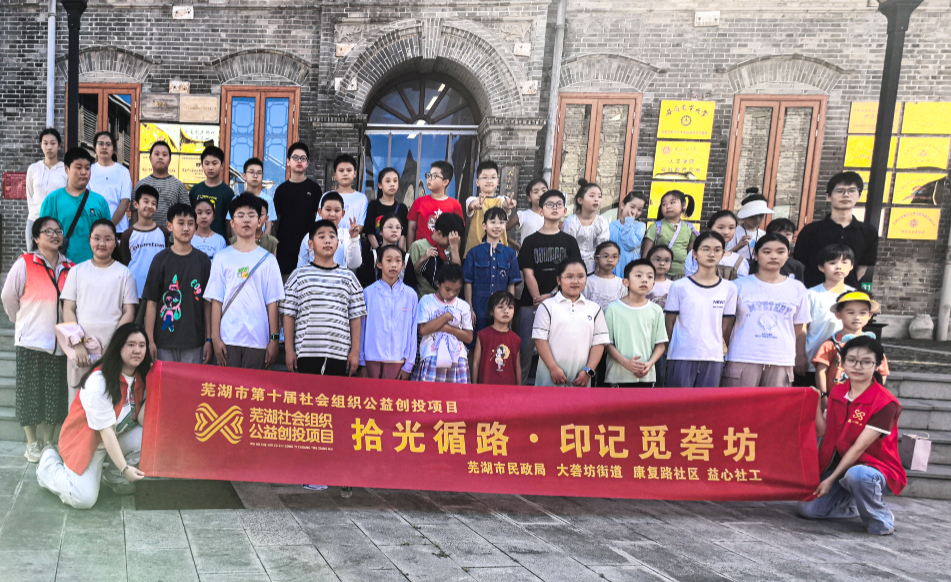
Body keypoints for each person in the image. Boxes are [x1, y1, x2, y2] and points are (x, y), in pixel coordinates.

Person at [797, 336, 905, 536]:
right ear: (843, 363)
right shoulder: (838, 392)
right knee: (808, 510)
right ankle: (855, 505)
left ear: (877, 365)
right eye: (852, 360)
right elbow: (822, 431)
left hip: (875, 469)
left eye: (866, 362)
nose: (858, 366)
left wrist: (830, 480)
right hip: (842, 466)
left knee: (858, 475)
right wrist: (815, 402)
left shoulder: (885, 403)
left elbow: (858, 448)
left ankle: (881, 517)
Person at [36, 323, 151, 508]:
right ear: (118, 346)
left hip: (115, 438)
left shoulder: (141, 376)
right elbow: (106, 432)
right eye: (131, 344)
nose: (137, 350)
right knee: (83, 499)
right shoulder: (99, 382)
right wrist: (125, 468)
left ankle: (114, 477)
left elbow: (142, 420)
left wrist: (154, 388)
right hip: (87, 444)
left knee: (147, 436)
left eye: (142, 345)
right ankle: (47, 464)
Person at [2, 217, 73, 462]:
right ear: (36, 238)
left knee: (54, 396)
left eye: (58, 231)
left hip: (59, 345)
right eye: (47, 231)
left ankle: (48, 442)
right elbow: (8, 297)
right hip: (31, 342)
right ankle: (32, 444)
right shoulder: (25, 263)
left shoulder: (70, 267)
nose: (54, 235)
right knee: (29, 395)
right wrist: (21, 320)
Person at [61, 219, 138, 404]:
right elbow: (68, 309)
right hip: (81, 351)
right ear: (89, 240)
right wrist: (77, 343)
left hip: (111, 348)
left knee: (109, 399)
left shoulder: (125, 274)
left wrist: (114, 346)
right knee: (78, 400)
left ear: (115, 242)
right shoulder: (76, 272)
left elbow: (129, 312)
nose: (102, 243)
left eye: (108, 239)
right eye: (97, 238)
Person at [204, 196, 284, 369]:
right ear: (232, 222)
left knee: (254, 386)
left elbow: (272, 303)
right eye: (240, 215)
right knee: (227, 386)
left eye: (251, 215)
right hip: (228, 338)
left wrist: (274, 339)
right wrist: (215, 338)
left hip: (259, 340)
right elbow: (216, 300)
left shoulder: (269, 260)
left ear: (260, 221)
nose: (246, 219)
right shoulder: (222, 257)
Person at [722, 233, 810, 388]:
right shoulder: (739, 285)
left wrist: (800, 355)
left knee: (776, 403)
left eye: (780, 252)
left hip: (781, 359)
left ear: (788, 255)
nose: (774, 256)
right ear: (756, 255)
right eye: (767, 251)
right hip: (742, 357)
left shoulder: (797, 288)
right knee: (739, 402)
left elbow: (799, 327)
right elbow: (727, 324)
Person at [283, 220, 367, 377]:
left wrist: (355, 352)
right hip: (306, 352)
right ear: (311, 244)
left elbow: (356, 317)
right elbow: (288, 314)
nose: (327, 241)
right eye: (321, 237)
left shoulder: (349, 277)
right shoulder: (298, 276)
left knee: (334, 392)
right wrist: (289, 350)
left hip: (339, 353)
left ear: (338, 243)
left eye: (332, 236)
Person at [516, 189, 582, 385]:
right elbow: (528, 273)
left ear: (564, 210)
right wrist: (538, 300)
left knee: (557, 350)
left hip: (561, 303)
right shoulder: (530, 241)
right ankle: (520, 392)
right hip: (531, 303)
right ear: (541, 210)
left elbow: (572, 274)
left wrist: (552, 295)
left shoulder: (569, 242)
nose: (554, 208)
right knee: (525, 350)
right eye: (549, 204)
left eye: (558, 205)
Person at [665, 232, 738, 388]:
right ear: (694, 253)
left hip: (713, 356)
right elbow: (669, 323)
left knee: (707, 402)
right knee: (678, 400)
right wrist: (671, 348)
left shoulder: (729, 288)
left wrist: (721, 350)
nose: (712, 254)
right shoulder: (679, 286)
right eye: (706, 249)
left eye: (717, 250)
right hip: (681, 355)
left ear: (723, 254)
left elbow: (726, 325)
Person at [142, 203, 212, 364]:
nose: (186, 228)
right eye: (180, 223)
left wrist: (209, 339)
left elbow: (207, 303)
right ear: (169, 226)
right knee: (164, 381)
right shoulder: (160, 260)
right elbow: (151, 302)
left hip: (194, 341)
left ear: (195, 226)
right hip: (163, 341)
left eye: (190, 223)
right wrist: (149, 340)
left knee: (190, 381)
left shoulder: (203, 261)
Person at [794, 171, 879, 289]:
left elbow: (862, 268)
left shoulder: (868, 232)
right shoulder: (811, 230)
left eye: (852, 190)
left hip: (847, 294)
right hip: (812, 291)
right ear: (828, 196)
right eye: (840, 191)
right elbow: (800, 264)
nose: (846, 195)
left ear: (859, 196)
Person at [533, 258, 609, 387]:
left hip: (581, 381)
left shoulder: (594, 309)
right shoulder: (547, 306)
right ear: (559, 280)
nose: (575, 281)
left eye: (580, 276)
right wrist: (553, 368)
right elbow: (540, 340)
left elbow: (599, 343)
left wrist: (588, 371)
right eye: (569, 276)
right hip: (549, 379)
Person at [39, 147, 111, 264]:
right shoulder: (53, 200)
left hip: (94, 266)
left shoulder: (99, 201)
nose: (84, 172)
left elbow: (108, 235)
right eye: (78, 167)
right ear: (67, 169)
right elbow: (44, 236)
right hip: (62, 267)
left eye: (87, 168)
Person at [604, 259, 667, 388]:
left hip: (646, 376)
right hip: (618, 376)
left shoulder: (656, 310)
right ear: (625, 282)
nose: (644, 280)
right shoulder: (613, 309)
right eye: (638, 275)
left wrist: (649, 364)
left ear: (653, 284)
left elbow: (660, 345)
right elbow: (607, 344)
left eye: (649, 277)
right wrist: (626, 363)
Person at [813, 291, 890, 394]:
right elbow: (821, 372)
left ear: (870, 315)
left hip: (864, 398)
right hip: (835, 397)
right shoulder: (830, 344)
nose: (857, 317)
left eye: (862, 313)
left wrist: (874, 393)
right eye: (850, 312)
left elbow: (882, 373)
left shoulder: (873, 346)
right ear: (838, 314)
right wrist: (823, 395)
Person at [360, 244, 418, 380]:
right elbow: (361, 328)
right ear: (379, 264)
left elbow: (413, 330)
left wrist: (409, 364)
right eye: (389, 260)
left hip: (398, 360)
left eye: (398, 261)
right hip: (371, 358)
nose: (393, 265)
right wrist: (361, 361)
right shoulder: (368, 293)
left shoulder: (410, 295)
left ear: (403, 265)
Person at [800, 244, 855, 387]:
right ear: (821, 267)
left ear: (851, 266)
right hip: (813, 359)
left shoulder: (854, 296)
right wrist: (799, 356)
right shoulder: (810, 295)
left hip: (844, 365)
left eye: (844, 262)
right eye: (832, 263)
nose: (838, 267)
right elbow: (802, 328)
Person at [413, 264, 474, 383]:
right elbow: (423, 330)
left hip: (457, 359)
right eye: (447, 289)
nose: (451, 294)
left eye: (457, 290)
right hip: (432, 356)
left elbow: (469, 337)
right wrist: (446, 317)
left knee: (456, 395)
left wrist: (446, 328)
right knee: (429, 394)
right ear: (438, 284)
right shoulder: (426, 301)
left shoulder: (463, 306)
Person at [464, 207, 520, 332]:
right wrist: (469, 308)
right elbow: (468, 282)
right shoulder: (474, 253)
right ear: (484, 225)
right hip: (479, 308)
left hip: (501, 310)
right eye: (493, 222)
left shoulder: (510, 254)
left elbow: (511, 285)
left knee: (499, 341)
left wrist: (509, 309)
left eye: (501, 222)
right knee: (477, 339)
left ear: (505, 226)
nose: (497, 226)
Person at [274, 142, 322, 277]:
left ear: (307, 163)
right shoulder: (281, 190)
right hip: (285, 248)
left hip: (309, 247)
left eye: (303, 158)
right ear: (288, 162)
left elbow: (318, 218)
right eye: (295, 158)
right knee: (286, 283)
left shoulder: (314, 189)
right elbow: (276, 221)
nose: (299, 161)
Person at [119, 185, 169, 311]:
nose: (149, 206)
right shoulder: (128, 234)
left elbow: (166, 260)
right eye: (145, 202)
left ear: (156, 208)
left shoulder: (163, 232)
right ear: (136, 204)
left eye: (153, 203)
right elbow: (125, 263)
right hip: (135, 292)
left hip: (158, 292)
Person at [296, 191, 362, 271]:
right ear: (320, 212)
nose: (332, 214)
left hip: (339, 277)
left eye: (337, 210)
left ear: (343, 213)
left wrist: (354, 238)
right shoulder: (310, 236)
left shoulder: (347, 235)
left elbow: (354, 264)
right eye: (328, 210)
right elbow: (301, 266)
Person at [25, 128, 67, 251]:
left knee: (57, 257)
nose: (49, 147)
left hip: (57, 223)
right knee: (34, 257)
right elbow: (30, 195)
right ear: (41, 145)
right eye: (45, 143)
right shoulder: (33, 169)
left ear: (59, 146)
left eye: (53, 143)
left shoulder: (65, 170)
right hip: (35, 220)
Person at [132, 141, 190, 228]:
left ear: (169, 160)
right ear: (150, 158)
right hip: (144, 234)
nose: (160, 157)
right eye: (157, 154)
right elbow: (134, 213)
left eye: (164, 155)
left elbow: (187, 214)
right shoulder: (141, 185)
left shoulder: (178, 186)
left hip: (171, 235)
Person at [641, 189, 697, 279]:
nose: (668, 206)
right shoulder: (656, 227)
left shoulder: (689, 228)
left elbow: (691, 255)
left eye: (672, 202)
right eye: (664, 204)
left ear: (683, 205)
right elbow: (645, 255)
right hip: (659, 274)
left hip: (682, 274)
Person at [407, 161, 464, 246]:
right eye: (429, 175)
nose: (429, 179)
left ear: (445, 182)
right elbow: (411, 229)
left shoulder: (455, 205)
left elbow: (458, 232)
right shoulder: (419, 202)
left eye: (434, 176)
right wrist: (410, 251)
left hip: (444, 251)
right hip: (421, 250)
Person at [88, 131, 133, 238]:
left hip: (119, 228)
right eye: (100, 144)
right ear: (95, 147)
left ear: (114, 149)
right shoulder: (89, 171)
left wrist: (110, 227)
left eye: (108, 144)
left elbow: (124, 202)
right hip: (94, 227)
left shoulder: (123, 171)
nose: (104, 147)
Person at [465, 160, 515, 255]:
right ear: (477, 182)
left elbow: (505, 203)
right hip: (475, 251)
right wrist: (475, 205)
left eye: (493, 177)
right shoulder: (472, 199)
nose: (489, 180)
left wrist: (509, 204)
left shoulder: (501, 200)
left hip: (499, 251)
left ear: (497, 181)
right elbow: (471, 205)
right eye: (485, 177)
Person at [472, 290, 522, 385]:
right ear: (491, 311)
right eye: (500, 307)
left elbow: (517, 367)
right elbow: (476, 364)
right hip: (486, 387)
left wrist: (519, 389)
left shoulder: (516, 339)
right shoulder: (482, 335)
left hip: (509, 389)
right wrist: (474, 387)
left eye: (510, 307)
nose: (506, 311)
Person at [410, 212, 464, 298]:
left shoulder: (451, 247)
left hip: (446, 299)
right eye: (449, 240)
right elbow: (410, 274)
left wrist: (454, 248)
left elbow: (457, 274)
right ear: (439, 233)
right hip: (424, 297)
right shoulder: (418, 246)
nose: (450, 243)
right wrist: (423, 258)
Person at [562, 180, 610, 274]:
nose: (596, 199)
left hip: (595, 268)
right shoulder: (571, 222)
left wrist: (599, 269)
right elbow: (566, 248)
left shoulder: (602, 222)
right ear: (580, 200)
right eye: (592, 196)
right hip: (573, 267)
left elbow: (603, 248)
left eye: (599, 196)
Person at [685, 210, 749, 280]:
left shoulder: (739, 260)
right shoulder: (695, 254)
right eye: (720, 227)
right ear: (710, 228)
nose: (726, 232)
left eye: (731, 228)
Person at [188, 146, 235, 239]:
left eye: (214, 163)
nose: (210, 167)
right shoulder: (195, 190)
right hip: (196, 240)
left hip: (219, 241)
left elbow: (229, 222)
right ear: (202, 165)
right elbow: (190, 217)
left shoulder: (228, 193)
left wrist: (229, 242)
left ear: (222, 165)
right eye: (207, 163)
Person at [357, 213, 413, 288]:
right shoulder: (374, 255)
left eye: (398, 227)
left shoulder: (406, 257)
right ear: (380, 231)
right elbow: (367, 283)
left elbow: (410, 285)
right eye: (390, 227)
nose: (394, 230)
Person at [323, 154, 368, 233]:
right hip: (329, 237)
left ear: (355, 173)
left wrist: (352, 232)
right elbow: (320, 222)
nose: (345, 174)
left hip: (352, 239)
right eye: (341, 170)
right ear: (335, 174)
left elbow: (361, 224)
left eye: (349, 170)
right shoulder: (326, 196)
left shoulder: (362, 198)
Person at [365, 167, 408, 249]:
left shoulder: (402, 208)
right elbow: (370, 232)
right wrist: (378, 251)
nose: (392, 184)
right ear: (380, 185)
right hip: (377, 251)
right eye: (388, 181)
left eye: (395, 181)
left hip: (396, 252)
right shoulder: (373, 205)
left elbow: (403, 234)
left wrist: (399, 252)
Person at [609, 191, 648, 278]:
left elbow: (630, 244)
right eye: (632, 207)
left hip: (631, 272)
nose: (634, 212)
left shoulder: (640, 226)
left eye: (639, 209)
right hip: (612, 271)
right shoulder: (610, 226)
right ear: (623, 205)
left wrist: (629, 221)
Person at [506, 178, 547, 253]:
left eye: (544, 191)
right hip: (527, 255)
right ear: (529, 198)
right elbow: (502, 230)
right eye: (536, 192)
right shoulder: (523, 215)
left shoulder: (551, 216)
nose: (541, 194)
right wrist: (517, 245)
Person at [582, 241, 627, 309]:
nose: (610, 260)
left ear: (618, 259)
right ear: (596, 258)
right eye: (606, 256)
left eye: (614, 257)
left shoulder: (621, 283)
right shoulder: (588, 282)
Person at [729, 190, 771, 262]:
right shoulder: (733, 233)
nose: (757, 219)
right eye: (752, 216)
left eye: (761, 216)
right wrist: (737, 247)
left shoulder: (764, 234)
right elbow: (724, 255)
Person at [238, 157, 275, 234]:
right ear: (244, 176)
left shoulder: (268, 200)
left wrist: (263, 241)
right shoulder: (237, 199)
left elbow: (268, 226)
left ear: (262, 176)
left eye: (259, 173)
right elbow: (233, 226)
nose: (255, 176)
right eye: (251, 172)